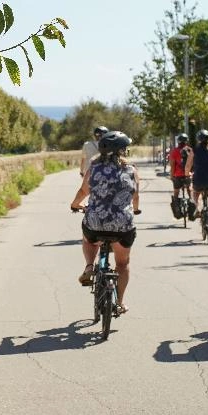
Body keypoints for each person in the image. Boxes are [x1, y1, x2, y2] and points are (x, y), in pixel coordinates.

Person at [70, 130, 141, 316]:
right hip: (123, 226)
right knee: (123, 264)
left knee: (88, 238)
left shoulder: (93, 168)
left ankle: (89, 266)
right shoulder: (132, 170)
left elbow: (83, 191)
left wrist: (75, 204)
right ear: (122, 150)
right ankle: (119, 302)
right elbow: (135, 197)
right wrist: (135, 210)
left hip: (95, 222)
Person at [167, 133, 194, 217]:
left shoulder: (174, 151)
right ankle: (192, 208)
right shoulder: (190, 150)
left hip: (177, 175)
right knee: (189, 190)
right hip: (188, 174)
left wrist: (172, 176)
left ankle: (177, 210)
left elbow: (172, 165)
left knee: (176, 192)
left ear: (178, 141)